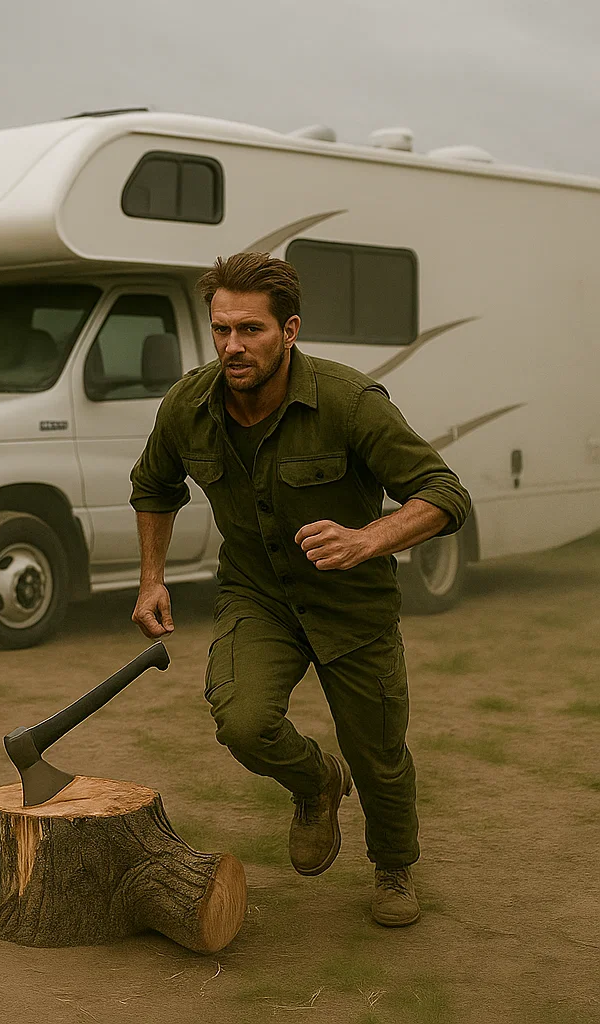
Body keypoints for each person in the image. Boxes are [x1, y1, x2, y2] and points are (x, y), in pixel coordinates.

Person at [128, 251, 470, 927]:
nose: (232, 345)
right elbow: (153, 487)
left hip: (353, 605)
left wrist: (366, 539)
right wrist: (152, 580)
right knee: (243, 722)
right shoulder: (188, 407)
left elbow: (444, 494)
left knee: (378, 755)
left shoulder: (348, 402)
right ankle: (316, 782)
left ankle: (393, 868)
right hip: (258, 598)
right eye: (221, 329)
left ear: (289, 331)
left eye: (250, 330)